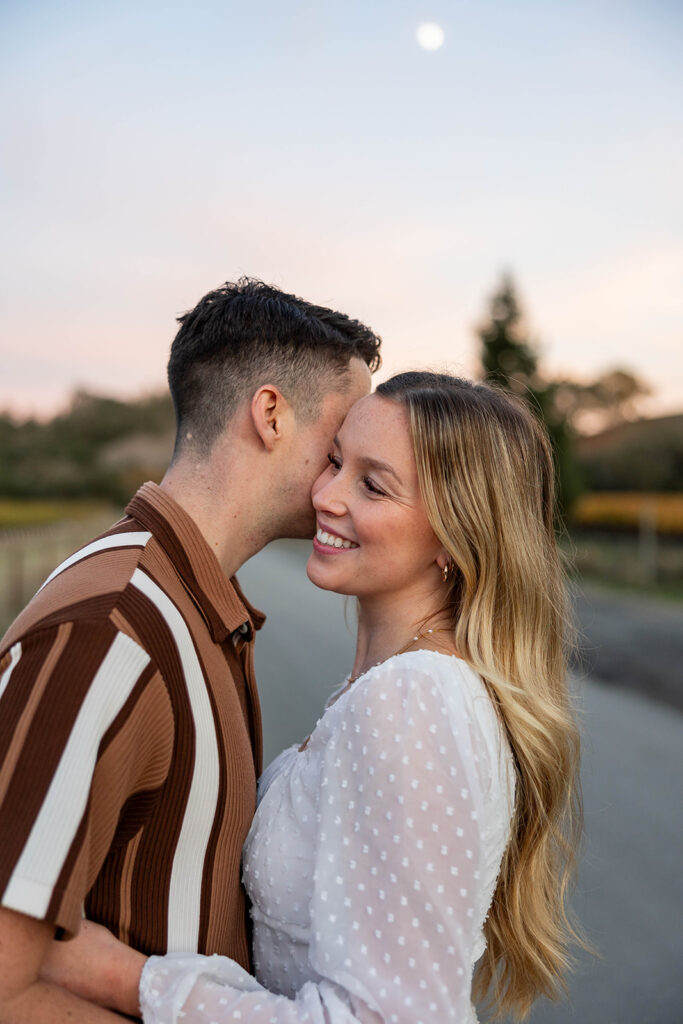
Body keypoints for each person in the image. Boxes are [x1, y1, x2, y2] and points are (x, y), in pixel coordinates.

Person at [41, 371, 584, 1023]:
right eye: (333, 462)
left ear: (450, 533)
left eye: (371, 484)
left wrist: (126, 979)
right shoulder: (397, 686)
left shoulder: (414, 699)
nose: (325, 495)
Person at [0, 278, 381, 1023]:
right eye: (338, 446)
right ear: (270, 413)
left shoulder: (193, 608)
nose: (347, 475)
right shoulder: (108, 631)